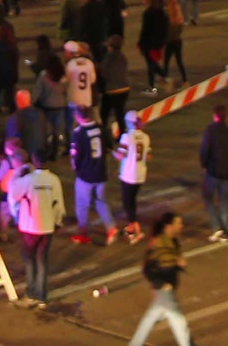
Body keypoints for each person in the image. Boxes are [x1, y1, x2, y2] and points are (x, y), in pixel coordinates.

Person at [3, 145, 66, 304]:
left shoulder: (28, 180)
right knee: (42, 259)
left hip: (30, 227)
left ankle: (31, 290)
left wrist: (18, 174)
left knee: (29, 258)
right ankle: (41, 294)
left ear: (34, 160)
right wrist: (57, 223)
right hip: (47, 227)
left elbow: (13, 194)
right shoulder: (54, 180)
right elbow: (59, 204)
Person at [129, 211, 192, 346]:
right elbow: (147, 269)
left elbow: (169, 260)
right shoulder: (157, 243)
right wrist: (161, 284)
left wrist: (178, 264)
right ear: (168, 226)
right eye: (178, 223)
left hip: (168, 287)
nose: (181, 226)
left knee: (150, 318)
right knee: (179, 321)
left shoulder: (174, 241)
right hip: (164, 289)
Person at [69, 104, 121, 241]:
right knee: (101, 201)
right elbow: (109, 147)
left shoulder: (78, 133)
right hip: (100, 172)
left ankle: (83, 232)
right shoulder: (101, 129)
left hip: (86, 175)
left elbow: (76, 156)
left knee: (82, 204)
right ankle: (111, 227)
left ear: (77, 116)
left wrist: (76, 168)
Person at [197, 104, 228, 242]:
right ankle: (225, 228)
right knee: (224, 200)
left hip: (213, 171)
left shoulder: (210, 131)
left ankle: (217, 227)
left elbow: (204, 150)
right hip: (227, 171)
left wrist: (203, 164)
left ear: (215, 116)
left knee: (208, 197)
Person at [116, 111, 152, 239]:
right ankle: (131, 227)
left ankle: (135, 227)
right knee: (132, 200)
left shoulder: (127, 137)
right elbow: (148, 156)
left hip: (128, 174)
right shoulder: (146, 137)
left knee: (127, 202)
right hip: (140, 174)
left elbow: (121, 155)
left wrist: (113, 153)